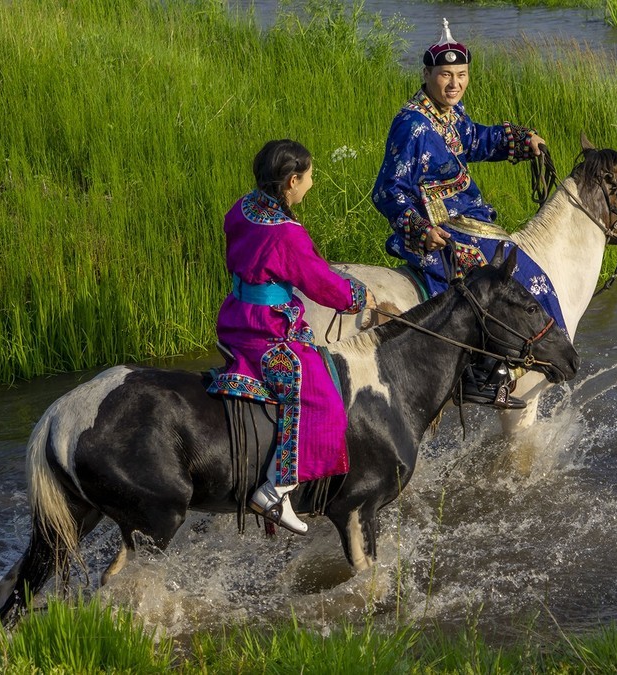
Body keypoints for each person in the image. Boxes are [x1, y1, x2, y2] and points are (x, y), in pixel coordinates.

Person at [371, 19, 547, 409]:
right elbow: (387, 190)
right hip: (437, 226)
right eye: (446, 75)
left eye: (462, 75)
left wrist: (521, 140)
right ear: (427, 74)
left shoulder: (450, 115)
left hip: (466, 216)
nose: (454, 83)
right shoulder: (412, 126)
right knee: (479, 279)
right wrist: (418, 229)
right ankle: (473, 373)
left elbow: (478, 139)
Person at [208, 139, 371, 535]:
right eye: (310, 177)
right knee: (321, 397)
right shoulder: (287, 234)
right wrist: (356, 296)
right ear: (292, 181)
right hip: (266, 329)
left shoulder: (243, 208)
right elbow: (319, 283)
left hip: (235, 316)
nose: (312, 184)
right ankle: (276, 488)